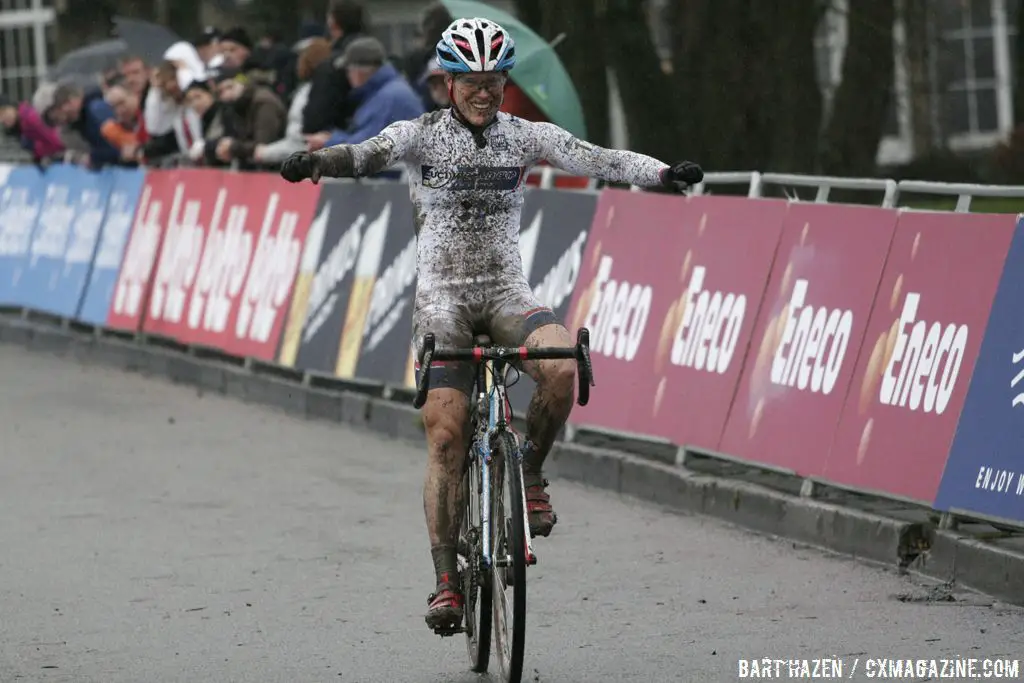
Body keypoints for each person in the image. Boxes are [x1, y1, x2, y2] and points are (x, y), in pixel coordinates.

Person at [278, 17, 703, 634]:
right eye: (472, 81)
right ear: (447, 81)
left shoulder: (522, 136)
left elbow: (599, 158)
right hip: (443, 303)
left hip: (506, 295)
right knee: (447, 438)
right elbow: (368, 154)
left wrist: (663, 175)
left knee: (561, 365)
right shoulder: (420, 135)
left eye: (494, 81)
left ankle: (529, 469)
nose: (484, 92)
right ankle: (446, 579)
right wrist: (316, 162)